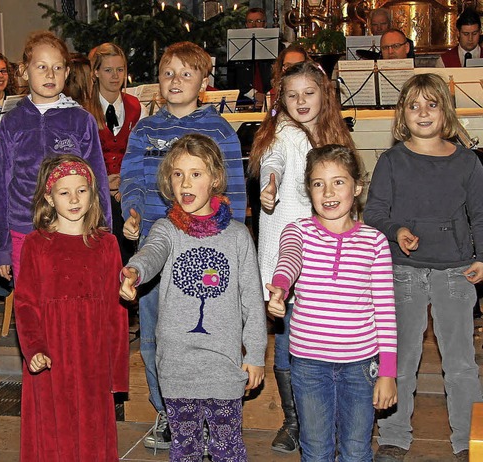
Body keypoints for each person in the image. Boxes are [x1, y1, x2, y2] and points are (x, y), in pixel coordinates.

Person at [119, 40, 247, 451]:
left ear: (204, 83)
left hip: (209, 250)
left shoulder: (220, 130)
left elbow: (237, 193)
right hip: (161, 247)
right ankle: (168, 413)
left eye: (186, 74)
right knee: (157, 336)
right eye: (168, 73)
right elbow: (133, 179)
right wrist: (133, 214)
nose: (176, 81)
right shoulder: (145, 129)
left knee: (211, 332)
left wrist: (235, 243)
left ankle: (211, 415)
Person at [120, 134, 267, 461]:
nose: (185, 182)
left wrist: (255, 354)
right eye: (177, 174)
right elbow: (151, 253)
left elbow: (253, 303)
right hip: (177, 364)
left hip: (223, 364)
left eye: (195, 174)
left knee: (228, 450)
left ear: (215, 179)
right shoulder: (166, 229)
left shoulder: (238, 237)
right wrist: (134, 272)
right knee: (184, 450)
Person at [364, 73, 483, 462]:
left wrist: (482, 255)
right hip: (404, 272)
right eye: (413, 106)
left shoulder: (467, 162)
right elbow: (374, 215)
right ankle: (395, 436)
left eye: (432, 104)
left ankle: (469, 441)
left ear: (445, 112)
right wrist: (397, 231)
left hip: (456, 272)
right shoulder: (392, 161)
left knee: (462, 363)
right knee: (401, 358)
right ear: (402, 115)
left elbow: (480, 215)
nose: (423, 113)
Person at [248, 60, 356, 454]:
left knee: (326, 336)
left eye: (309, 93)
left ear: (324, 95)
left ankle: (329, 414)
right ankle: (294, 420)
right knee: (291, 337)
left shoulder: (334, 134)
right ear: (282, 99)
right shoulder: (282, 133)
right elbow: (273, 160)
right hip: (287, 253)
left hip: (328, 253)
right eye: (291, 95)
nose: (300, 101)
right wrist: (270, 182)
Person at [266, 144, 398, 460]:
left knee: (356, 448)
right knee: (316, 448)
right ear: (308, 190)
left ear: (357, 187)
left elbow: (386, 310)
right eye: (318, 183)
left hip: (360, 365)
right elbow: (289, 258)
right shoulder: (297, 230)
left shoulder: (374, 242)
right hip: (309, 365)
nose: (328, 191)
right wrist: (281, 287)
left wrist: (388, 372)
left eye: (338, 181)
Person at [14, 154, 128, 461]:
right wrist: (33, 348)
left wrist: (117, 373)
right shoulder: (36, 244)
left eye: (82, 190)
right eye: (64, 192)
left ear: (93, 195)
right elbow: (25, 304)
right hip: (51, 353)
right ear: (49, 198)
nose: (74, 199)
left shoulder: (107, 245)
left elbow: (117, 311)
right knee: (53, 431)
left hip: (93, 356)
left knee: (92, 430)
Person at [0, 30, 111, 283]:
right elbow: (0, 185)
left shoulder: (81, 120)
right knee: (32, 305)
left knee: (71, 299)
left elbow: (97, 178)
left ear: (67, 73)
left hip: (73, 229)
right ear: (24, 71)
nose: (50, 74)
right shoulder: (12, 122)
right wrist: (2, 246)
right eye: (41, 67)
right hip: (23, 230)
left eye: (57, 68)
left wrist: (102, 232)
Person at [88, 42, 146, 263]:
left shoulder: (134, 106)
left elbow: (139, 152)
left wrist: (126, 183)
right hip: (95, 189)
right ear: (95, 73)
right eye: (108, 70)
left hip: (126, 185)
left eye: (120, 70)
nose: (115, 76)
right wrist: (103, 182)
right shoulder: (84, 109)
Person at [227, 7, 274, 102]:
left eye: (258, 21)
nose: (254, 25)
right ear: (246, 24)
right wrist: (254, 94)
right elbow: (234, 80)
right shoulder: (236, 47)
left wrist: (268, 95)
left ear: (265, 24)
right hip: (244, 99)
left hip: (271, 98)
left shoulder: (276, 46)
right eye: (250, 21)